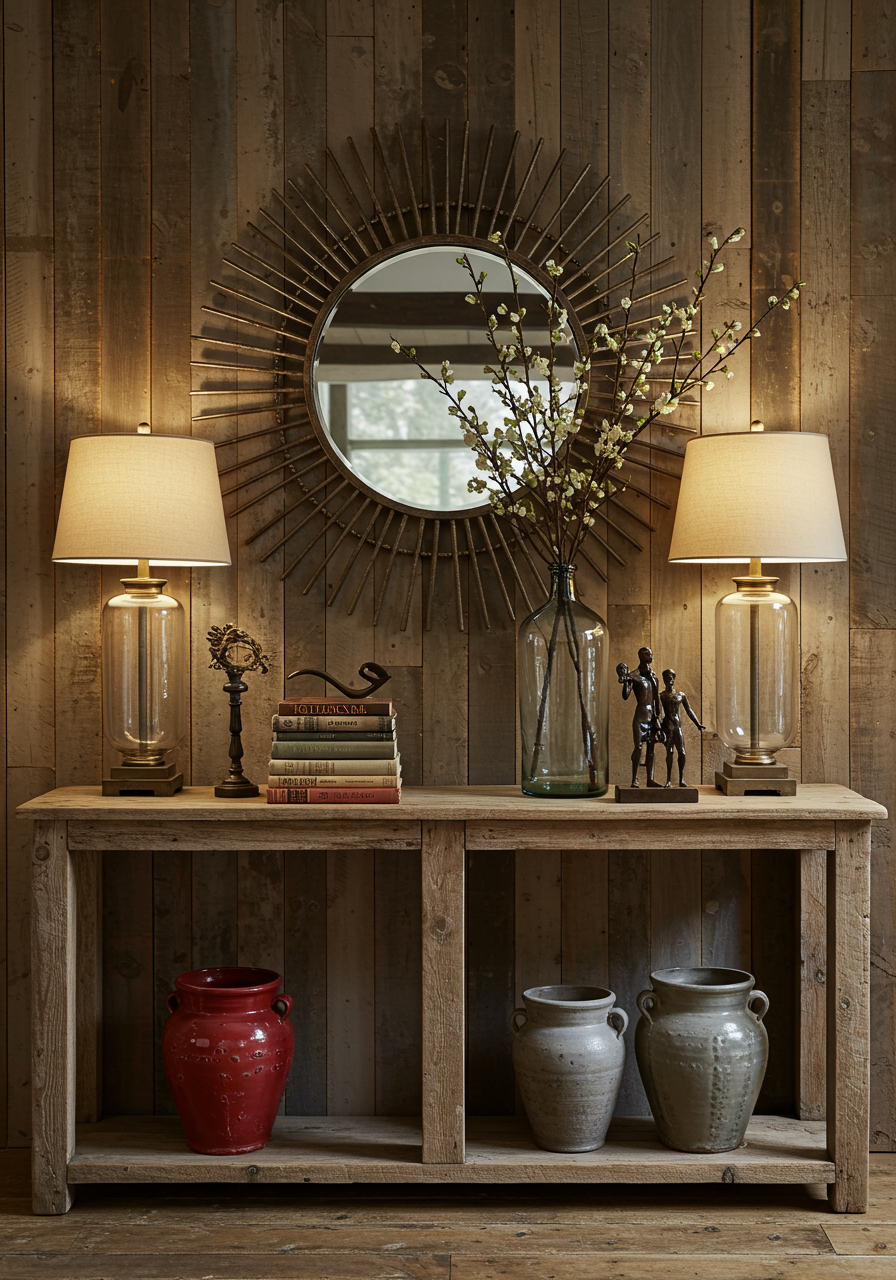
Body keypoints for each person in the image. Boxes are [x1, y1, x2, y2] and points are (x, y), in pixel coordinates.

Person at [618, 647, 664, 786]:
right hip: (641, 715)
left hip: (652, 717)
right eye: (647, 654)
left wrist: (659, 718)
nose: (650, 656)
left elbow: (657, 700)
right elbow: (625, 695)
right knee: (638, 747)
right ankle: (634, 779)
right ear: (640, 656)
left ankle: (650, 779)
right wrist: (625, 680)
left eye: (651, 653)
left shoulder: (654, 678)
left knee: (651, 748)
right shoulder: (634, 676)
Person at [660, 669, 705, 788]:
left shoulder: (680, 695)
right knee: (669, 752)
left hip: (677, 726)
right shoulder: (662, 696)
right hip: (667, 726)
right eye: (666, 678)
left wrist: (698, 724)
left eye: (670, 677)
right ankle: (668, 780)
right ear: (663, 680)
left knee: (682, 752)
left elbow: (689, 710)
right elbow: (659, 713)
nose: (669, 680)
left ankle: (681, 779)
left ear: (674, 678)